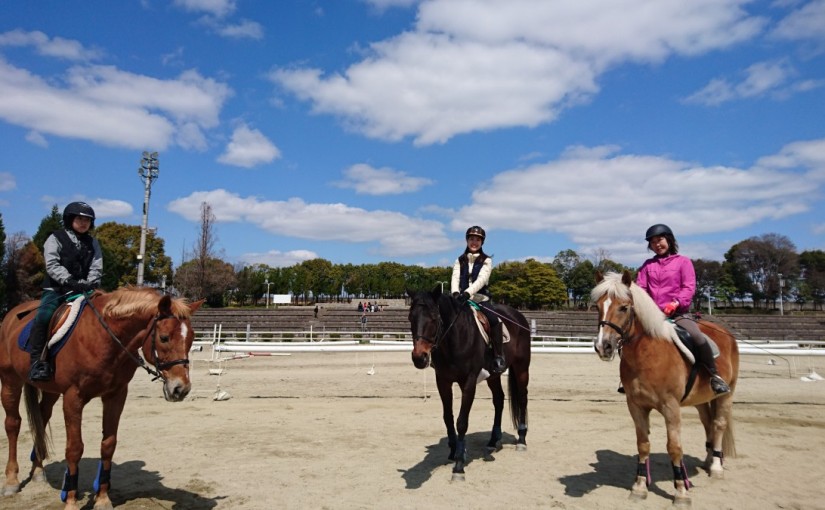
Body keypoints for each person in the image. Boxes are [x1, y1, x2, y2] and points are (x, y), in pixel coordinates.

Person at [635, 224, 730, 395]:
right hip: (652, 316)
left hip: (678, 314)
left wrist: (676, 303)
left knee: (697, 336)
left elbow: (688, 287)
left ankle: (714, 376)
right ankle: (630, 377)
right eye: (653, 242)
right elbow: (640, 288)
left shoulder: (683, 262)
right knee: (630, 337)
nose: (657, 244)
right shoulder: (647, 266)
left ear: (669, 240)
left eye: (660, 240)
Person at [28, 202, 103, 381]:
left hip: (85, 290)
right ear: (70, 219)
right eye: (79, 219)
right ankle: (37, 362)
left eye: (87, 220)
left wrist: (90, 282)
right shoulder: (55, 238)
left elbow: (96, 266)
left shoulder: (93, 243)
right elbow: (52, 264)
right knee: (44, 317)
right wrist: (69, 280)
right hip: (57, 289)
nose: (83, 223)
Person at [450, 225, 505, 374]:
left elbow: (482, 279)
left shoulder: (486, 260)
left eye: (477, 240)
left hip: (480, 299)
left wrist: (467, 293)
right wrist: (455, 293)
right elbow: (455, 277)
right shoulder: (459, 260)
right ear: (467, 240)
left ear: (482, 242)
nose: (474, 242)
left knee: (494, 319)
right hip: (460, 299)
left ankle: (498, 356)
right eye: (471, 239)